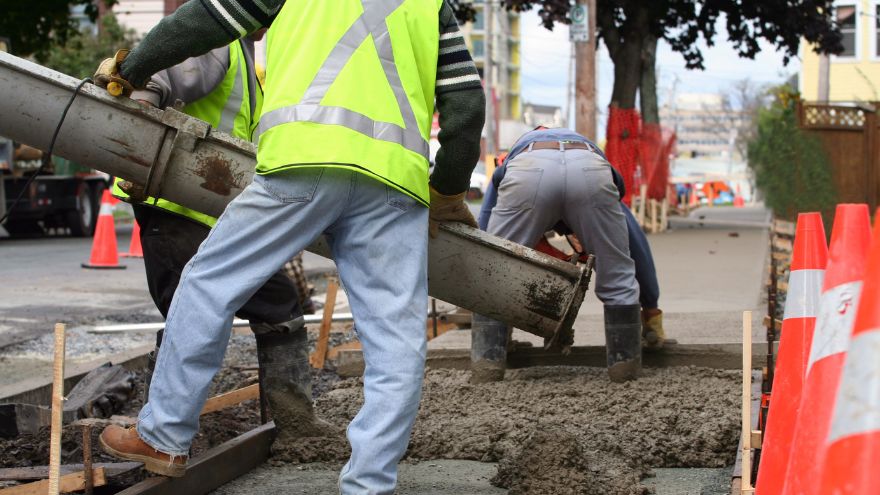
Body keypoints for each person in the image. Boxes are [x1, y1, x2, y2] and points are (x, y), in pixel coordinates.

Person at [94, 0, 485, 492]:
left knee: (209, 283)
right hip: (393, 183)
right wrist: (447, 189)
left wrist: (130, 69)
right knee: (395, 342)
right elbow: (466, 105)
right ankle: (369, 484)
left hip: (304, 163)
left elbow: (205, 21)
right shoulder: (432, 6)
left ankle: (164, 436)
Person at [110, 29, 329, 453]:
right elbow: (154, 83)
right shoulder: (215, 39)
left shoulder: (245, 57)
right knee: (191, 310)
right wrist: (136, 150)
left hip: (211, 214)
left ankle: (294, 425)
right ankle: (160, 434)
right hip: (173, 209)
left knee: (275, 303)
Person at [471, 127, 642, 384]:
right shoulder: (593, 155)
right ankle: (624, 370)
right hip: (591, 171)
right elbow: (636, 246)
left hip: (529, 170)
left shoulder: (514, 156)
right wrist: (652, 309)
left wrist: (480, 277)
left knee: (494, 274)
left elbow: (485, 227)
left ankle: (487, 368)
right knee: (618, 275)